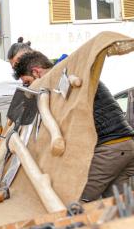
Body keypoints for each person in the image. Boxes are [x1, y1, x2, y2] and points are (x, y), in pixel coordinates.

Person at [13, 50, 134, 201]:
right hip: (123, 146)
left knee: (78, 202)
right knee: (120, 206)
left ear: (37, 72)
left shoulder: (67, 78)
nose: (31, 88)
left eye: (28, 83)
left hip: (110, 148)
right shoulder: (67, 77)